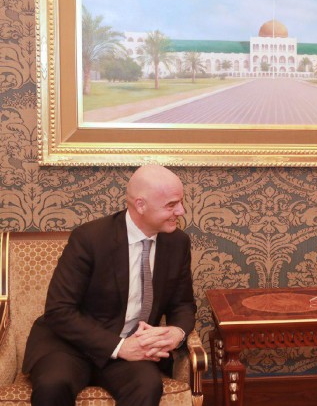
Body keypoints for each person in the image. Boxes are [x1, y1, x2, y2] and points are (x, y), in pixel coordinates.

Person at [23, 164, 197, 406]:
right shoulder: (90, 238)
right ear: (140, 205)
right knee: (53, 384)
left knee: (147, 385)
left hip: (133, 348)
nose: (181, 211)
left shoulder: (177, 242)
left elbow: (183, 304)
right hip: (70, 345)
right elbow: (59, 310)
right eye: (171, 205)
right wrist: (119, 346)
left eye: (180, 202)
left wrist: (177, 333)